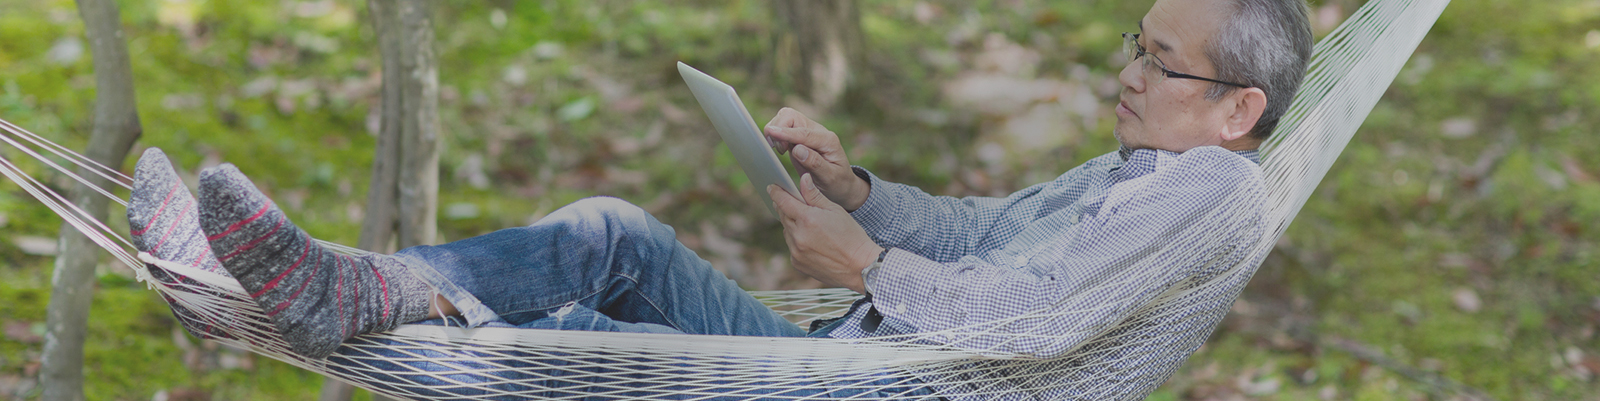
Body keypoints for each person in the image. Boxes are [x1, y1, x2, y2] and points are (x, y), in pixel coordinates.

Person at [129, 0, 1313, 398]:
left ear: (1236, 110)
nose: (1126, 69)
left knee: (570, 344)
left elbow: (1035, 322)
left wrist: (859, 262)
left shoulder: (1212, 198)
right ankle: (333, 288)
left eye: (1158, 59)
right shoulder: (1137, 167)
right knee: (608, 235)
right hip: (857, 356)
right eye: (1135, 40)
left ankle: (292, 297)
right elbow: (981, 239)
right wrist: (858, 190)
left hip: (884, 385)